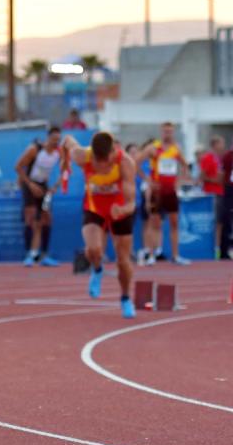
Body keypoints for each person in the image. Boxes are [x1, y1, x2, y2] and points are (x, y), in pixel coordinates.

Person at [63, 132, 137, 319]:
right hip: (94, 208)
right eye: (98, 162)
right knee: (93, 250)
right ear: (92, 155)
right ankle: (97, 269)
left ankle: (126, 298)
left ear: (114, 152)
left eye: (107, 162)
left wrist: (122, 210)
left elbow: (132, 203)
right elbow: (67, 141)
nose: (103, 166)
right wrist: (65, 163)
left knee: (123, 260)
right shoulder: (82, 156)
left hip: (119, 210)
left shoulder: (125, 163)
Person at [136, 122, 191, 265]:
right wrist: (147, 179)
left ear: (173, 133)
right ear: (161, 132)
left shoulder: (176, 148)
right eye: (165, 131)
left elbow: (185, 165)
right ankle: (152, 255)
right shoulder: (153, 148)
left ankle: (176, 255)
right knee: (154, 223)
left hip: (171, 191)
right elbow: (135, 163)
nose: (168, 134)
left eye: (170, 131)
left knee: (174, 223)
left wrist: (179, 181)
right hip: (157, 191)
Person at [15, 126, 63, 266]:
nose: (56, 143)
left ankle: (44, 255)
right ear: (48, 138)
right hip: (30, 185)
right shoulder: (34, 150)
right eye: (54, 139)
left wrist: (55, 186)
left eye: (58, 140)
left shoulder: (58, 153)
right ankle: (30, 254)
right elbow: (17, 167)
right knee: (30, 218)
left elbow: (65, 170)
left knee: (47, 218)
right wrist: (30, 185)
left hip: (44, 186)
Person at [199, 135, 226, 258]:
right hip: (211, 194)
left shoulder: (220, 158)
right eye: (221, 143)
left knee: (220, 222)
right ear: (215, 145)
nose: (223, 146)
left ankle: (218, 248)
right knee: (214, 222)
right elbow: (202, 176)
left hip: (220, 193)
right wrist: (215, 180)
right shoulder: (208, 158)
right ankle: (214, 249)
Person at [220, 139, 233, 259]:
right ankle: (224, 251)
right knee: (226, 219)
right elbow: (223, 173)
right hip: (229, 189)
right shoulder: (228, 156)